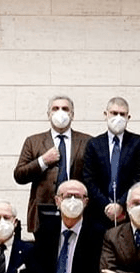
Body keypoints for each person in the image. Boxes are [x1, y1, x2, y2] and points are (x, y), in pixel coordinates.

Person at [14, 94, 92, 233]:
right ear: (48, 114)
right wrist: (42, 161)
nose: (60, 112)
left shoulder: (87, 141)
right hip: (43, 211)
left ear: (72, 115)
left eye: (65, 109)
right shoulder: (33, 141)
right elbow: (19, 175)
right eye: (55, 108)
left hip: (78, 209)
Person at [82, 96, 140, 230]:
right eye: (114, 113)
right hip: (99, 212)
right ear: (106, 114)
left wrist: (121, 204)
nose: (118, 117)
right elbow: (88, 178)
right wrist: (106, 206)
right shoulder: (94, 144)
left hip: (128, 212)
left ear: (128, 117)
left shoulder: (138, 142)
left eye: (122, 114)